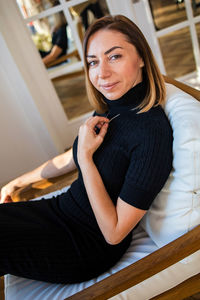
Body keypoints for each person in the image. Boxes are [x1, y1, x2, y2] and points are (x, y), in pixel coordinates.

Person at [0, 15, 173, 284]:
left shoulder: (151, 134)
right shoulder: (113, 106)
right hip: (62, 210)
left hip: (84, 246)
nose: (101, 74)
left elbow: (114, 233)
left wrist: (86, 160)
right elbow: (74, 156)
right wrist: (17, 183)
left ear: (141, 57)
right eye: (93, 62)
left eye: (114, 57)